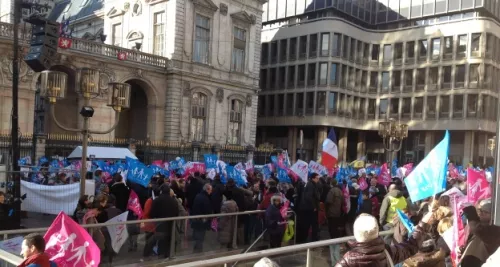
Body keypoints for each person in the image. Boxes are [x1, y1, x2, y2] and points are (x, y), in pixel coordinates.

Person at [334, 210, 434, 267]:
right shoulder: (389, 252)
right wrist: (423, 225)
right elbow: (411, 246)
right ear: (377, 232)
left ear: (356, 234)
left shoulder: (348, 260)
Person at [146, 183, 179, 259]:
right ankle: (167, 257)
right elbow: (176, 213)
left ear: (161, 191)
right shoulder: (174, 201)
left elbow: (152, 214)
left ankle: (160, 257)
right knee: (168, 243)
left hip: (159, 226)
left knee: (160, 243)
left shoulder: (157, 200)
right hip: (171, 226)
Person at [297, 173, 321, 243]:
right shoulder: (310, 185)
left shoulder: (311, 184)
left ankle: (307, 238)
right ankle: (311, 238)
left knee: (308, 224)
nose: (318, 179)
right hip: (309, 208)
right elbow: (308, 197)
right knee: (311, 224)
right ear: (313, 178)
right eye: (317, 178)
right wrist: (313, 206)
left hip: (307, 208)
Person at [191, 183, 213, 253]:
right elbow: (207, 211)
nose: (211, 192)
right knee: (200, 237)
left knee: (197, 237)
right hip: (202, 221)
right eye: (210, 190)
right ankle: (198, 253)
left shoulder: (198, 195)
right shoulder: (205, 198)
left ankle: (196, 250)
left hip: (196, 220)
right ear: (207, 189)